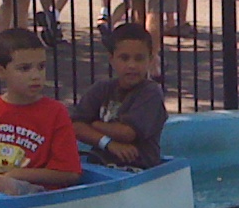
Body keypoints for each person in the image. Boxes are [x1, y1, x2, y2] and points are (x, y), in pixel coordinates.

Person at [0, 28, 80, 195]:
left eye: (41, 67)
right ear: (0, 71)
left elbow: (69, 173)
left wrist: (16, 175)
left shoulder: (55, 112)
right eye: (24, 68)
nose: (36, 75)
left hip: (39, 194)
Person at [70, 22, 168, 167]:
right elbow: (74, 126)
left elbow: (127, 133)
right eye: (124, 58)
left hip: (138, 167)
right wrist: (107, 143)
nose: (132, 65)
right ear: (112, 60)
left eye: (139, 58)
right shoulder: (102, 88)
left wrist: (93, 124)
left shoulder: (150, 92)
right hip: (100, 161)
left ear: (150, 60)